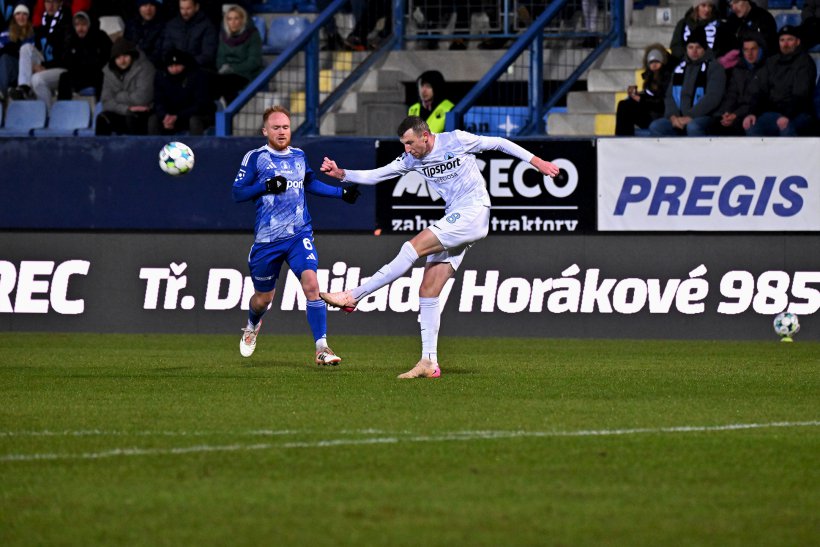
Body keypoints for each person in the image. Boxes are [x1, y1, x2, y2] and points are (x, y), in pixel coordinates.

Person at [319, 116, 560, 379]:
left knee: (411, 247)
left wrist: (537, 162)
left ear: (425, 136)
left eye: (410, 143)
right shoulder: (411, 159)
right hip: (456, 217)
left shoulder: (456, 140)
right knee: (428, 288)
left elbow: (499, 143)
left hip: (474, 211)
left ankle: (354, 296)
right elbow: (378, 175)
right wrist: (342, 174)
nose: (407, 149)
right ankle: (428, 361)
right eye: (403, 144)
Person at [232, 105, 361, 366]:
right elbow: (237, 193)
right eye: (276, 127)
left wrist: (341, 193)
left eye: (285, 127)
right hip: (267, 241)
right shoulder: (255, 158)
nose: (281, 132)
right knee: (263, 299)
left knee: (312, 284)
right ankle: (252, 324)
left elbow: (309, 182)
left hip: (298, 234)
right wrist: (265, 186)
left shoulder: (299, 156)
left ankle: (322, 348)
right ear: (265, 130)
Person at [649, 27, 726, 136]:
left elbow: (713, 98)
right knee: (656, 127)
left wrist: (690, 116)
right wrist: (673, 117)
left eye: (698, 47)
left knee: (693, 127)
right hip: (680, 118)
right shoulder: (679, 68)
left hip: (706, 117)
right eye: (690, 47)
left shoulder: (714, 67)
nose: (694, 51)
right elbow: (670, 96)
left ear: (704, 49)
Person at [743, 25, 818, 136]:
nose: (785, 44)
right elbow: (760, 91)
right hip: (773, 113)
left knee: (785, 126)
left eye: (790, 40)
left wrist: (787, 115)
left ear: (797, 42)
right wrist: (752, 113)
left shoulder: (805, 62)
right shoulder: (771, 62)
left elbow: (801, 95)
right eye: (782, 40)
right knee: (751, 124)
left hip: (799, 113)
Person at [11, 0, 72, 103]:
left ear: (60, 3)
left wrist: (44, 66)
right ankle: (24, 87)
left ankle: (46, 113)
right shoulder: (42, 23)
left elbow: (66, 58)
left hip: (61, 69)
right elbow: (37, 50)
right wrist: (34, 66)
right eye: (48, 1)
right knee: (26, 48)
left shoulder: (66, 24)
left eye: (54, 2)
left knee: (37, 79)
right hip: (45, 65)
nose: (51, 6)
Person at [96, 38, 155, 135]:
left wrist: (118, 96)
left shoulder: (145, 68)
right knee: (103, 118)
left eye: (125, 56)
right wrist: (126, 109)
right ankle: (99, 150)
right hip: (123, 111)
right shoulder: (108, 72)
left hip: (144, 113)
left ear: (132, 55)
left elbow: (142, 99)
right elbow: (106, 102)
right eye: (118, 57)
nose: (122, 60)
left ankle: (137, 150)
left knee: (133, 118)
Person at [148, 48, 215, 135]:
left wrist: (178, 116)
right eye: (171, 66)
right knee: (153, 119)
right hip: (171, 116)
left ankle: (197, 147)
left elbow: (201, 104)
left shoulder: (197, 76)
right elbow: (158, 100)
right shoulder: (161, 77)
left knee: (194, 120)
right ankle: (154, 147)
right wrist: (165, 116)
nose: (175, 69)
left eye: (178, 65)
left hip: (192, 115)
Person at [713, 32, 765, 135]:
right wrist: (727, 112)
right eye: (746, 50)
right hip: (737, 114)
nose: (749, 54)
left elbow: (758, 99)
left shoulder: (767, 68)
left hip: (755, 113)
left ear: (760, 49)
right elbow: (731, 94)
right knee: (716, 124)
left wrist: (736, 114)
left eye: (753, 49)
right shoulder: (738, 69)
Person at [615, 44, 672, 135]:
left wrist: (640, 99)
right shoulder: (649, 76)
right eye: (651, 62)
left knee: (626, 107)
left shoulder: (667, 77)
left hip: (660, 115)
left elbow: (662, 103)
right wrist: (637, 95)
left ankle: (624, 139)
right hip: (650, 112)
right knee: (624, 104)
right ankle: (621, 139)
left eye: (657, 62)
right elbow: (649, 96)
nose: (654, 65)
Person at [57, 11, 112, 100]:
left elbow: (108, 56)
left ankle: (102, 109)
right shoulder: (71, 39)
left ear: (89, 24)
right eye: (77, 25)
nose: (80, 28)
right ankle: (63, 109)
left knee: (102, 77)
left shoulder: (100, 37)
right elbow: (65, 60)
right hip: (78, 75)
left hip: (96, 73)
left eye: (83, 24)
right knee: (64, 77)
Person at [215, 3, 262, 105]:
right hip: (225, 74)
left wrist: (232, 68)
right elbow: (220, 58)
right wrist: (222, 67)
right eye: (229, 19)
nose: (233, 22)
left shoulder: (252, 34)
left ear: (242, 20)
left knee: (226, 84)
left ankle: (230, 113)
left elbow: (254, 62)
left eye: (236, 18)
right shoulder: (224, 35)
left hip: (245, 74)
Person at [160, 0, 217, 70]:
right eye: (182, 8)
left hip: (198, 69)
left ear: (196, 7)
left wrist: (186, 64)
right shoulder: (172, 25)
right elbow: (166, 50)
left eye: (188, 8)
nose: (184, 12)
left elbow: (208, 55)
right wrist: (173, 63)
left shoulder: (207, 26)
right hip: (174, 68)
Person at [0, 4, 35, 102]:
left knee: (6, 57)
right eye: (18, 14)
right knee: (4, 58)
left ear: (28, 17)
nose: (21, 17)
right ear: (14, 16)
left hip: (29, 68)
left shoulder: (33, 33)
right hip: (10, 69)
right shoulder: (6, 33)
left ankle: (6, 91)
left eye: (24, 14)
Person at [124, 0, 165, 68]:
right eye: (144, 5)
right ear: (139, 7)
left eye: (152, 5)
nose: (148, 9)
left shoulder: (164, 27)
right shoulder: (131, 25)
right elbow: (126, 48)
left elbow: (160, 54)